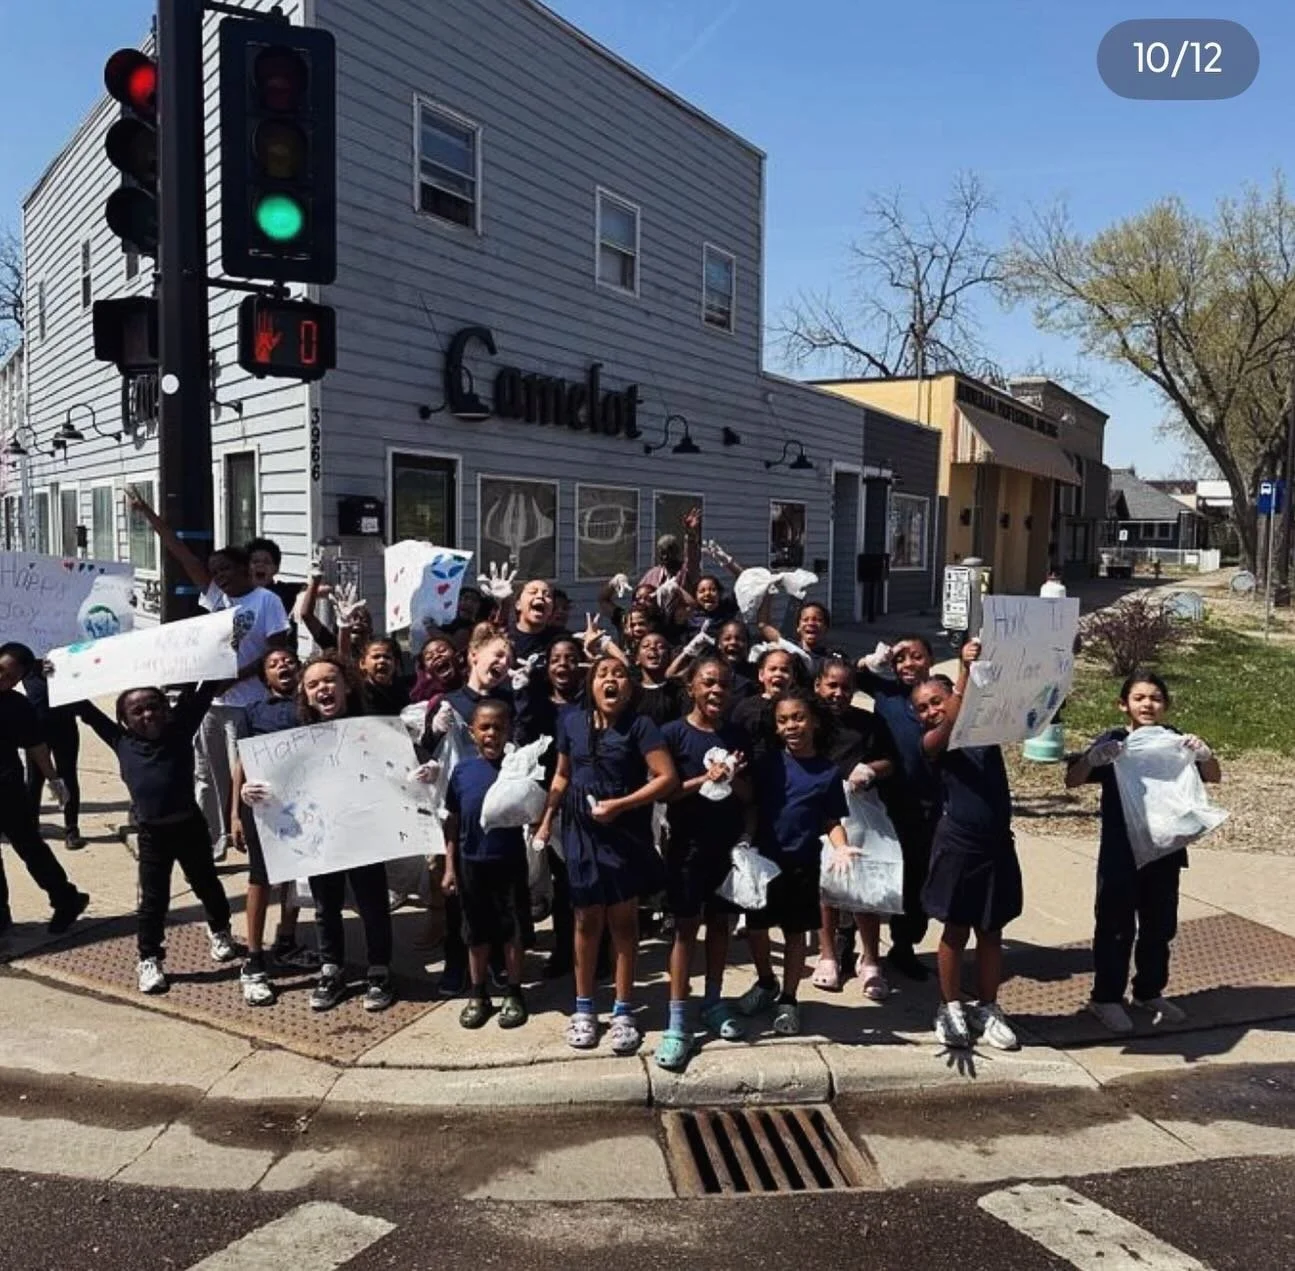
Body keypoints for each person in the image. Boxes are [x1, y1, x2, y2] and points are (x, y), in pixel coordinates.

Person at [129, 488, 293, 862]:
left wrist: (236, 677)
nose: (220, 576)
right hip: (211, 703)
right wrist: (147, 513)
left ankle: (254, 838)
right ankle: (211, 843)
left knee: (246, 777)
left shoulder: (266, 601)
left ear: (245, 568)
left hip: (248, 704)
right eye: (215, 571)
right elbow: (182, 554)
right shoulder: (217, 598)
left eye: (226, 570)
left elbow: (276, 650)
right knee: (206, 775)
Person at [534, 655, 678, 1054]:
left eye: (619, 674)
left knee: (623, 922)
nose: (611, 680)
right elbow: (562, 775)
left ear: (629, 687)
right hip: (580, 830)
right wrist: (547, 818)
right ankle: (583, 1008)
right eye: (602, 674)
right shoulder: (572, 723)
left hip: (624, 831)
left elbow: (667, 778)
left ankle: (624, 1008)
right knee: (584, 920)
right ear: (590, 684)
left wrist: (622, 805)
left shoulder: (641, 726)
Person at [1065, 670, 1221, 1033]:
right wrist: (1094, 758)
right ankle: (1105, 998)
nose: (1147, 704)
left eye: (1155, 698)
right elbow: (1072, 780)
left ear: (1165, 705)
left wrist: (1204, 754)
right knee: (1115, 925)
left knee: (1159, 926)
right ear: (1124, 705)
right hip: (1121, 851)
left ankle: (1149, 991)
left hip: (1164, 849)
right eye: (1139, 698)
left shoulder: (1174, 741)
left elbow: (1212, 776)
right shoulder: (1117, 742)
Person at [242, 653, 397, 1013]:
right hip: (320, 836)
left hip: (364, 831)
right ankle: (332, 969)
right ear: (305, 695)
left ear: (346, 686)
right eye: (313, 685)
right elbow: (275, 781)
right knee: (325, 906)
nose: (322, 688)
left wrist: (424, 773)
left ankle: (379, 970)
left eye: (329, 681)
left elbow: (397, 766)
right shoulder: (294, 736)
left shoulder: (368, 726)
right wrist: (251, 793)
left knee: (372, 903)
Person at [75, 679, 238, 994]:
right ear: (125, 720)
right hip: (153, 835)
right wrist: (54, 674)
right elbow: (84, 708)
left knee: (207, 884)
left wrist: (219, 647)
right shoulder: (119, 740)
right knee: (153, 901)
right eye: (137, 711)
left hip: (189, 827)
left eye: (154, 707)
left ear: (167, 711)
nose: (147, 714)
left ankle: (220, 930)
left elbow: (205, 691)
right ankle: (149, 957)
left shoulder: (179, 731)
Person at [914, 646, 1023, 1052]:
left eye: (936, 702)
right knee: (956, 929)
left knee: (991, 930)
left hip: (996, 844)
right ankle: (950, 1005)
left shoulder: (986, 728)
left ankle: (988, 1006)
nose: (931, 711)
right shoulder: (933, 743)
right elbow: (952, 720)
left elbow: (1019, 699)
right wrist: (962, 670)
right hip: (958, 846)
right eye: (923, 708)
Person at [737, 688, 850, 1036]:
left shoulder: (828, 772)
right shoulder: (767, 763)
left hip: (801, 866)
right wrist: (730, 776)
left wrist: (842, 847)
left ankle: (788, 998)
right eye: (783, 720)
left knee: (795, 934)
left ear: (814, 722)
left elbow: (831, 821)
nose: (791, 726)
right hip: (763, 862)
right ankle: (766, 983)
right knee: (756, 928)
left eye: (798, 718)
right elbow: (749, 799)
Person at [656, 656, 750, 1070]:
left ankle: (713, 1001)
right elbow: (665, 793)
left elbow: (749, 796)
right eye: (708, 683)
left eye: (724, 685)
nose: (717, 691)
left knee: (719, 927)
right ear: (691, 687)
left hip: (725, 847)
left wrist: (735, 775)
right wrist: (705, 778)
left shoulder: (736, 734)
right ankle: (677, 1020)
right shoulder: (673, 734)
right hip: (687, 847)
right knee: (684, 930)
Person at [229, 648, 318, 1005]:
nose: (283, 666)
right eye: (273, 664)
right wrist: (235, 812)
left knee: (295, 873)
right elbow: (241, 763)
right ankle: (253, 959)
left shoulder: (310, 708)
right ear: (265, 677)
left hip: (303, 808)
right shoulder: (254, 712)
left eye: (288, 662)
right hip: (262, 808)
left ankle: (287, 939)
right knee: (261, 878)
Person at [855, 635, 941, 982]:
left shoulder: (941, 694)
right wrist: (870, 661)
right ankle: (861, 948)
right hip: (888, 800)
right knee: (885, 874)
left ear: (930, 659)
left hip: (930, 800)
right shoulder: (885, 692)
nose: (907, 664)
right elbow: (853, 676)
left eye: (916, 657)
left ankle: (904, 946)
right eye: (900, 659)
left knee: (921, 876)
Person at [811, 658, 898, 999]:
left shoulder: (868, 724)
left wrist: (870, 770)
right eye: (831, 685)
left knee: (864, 887)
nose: (838, 693)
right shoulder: (810, 721)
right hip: (820, 814)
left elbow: (891, 762)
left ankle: (871, 959)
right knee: (826, 888)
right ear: (818, 686)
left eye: (846, 687)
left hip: (860, 814)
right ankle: (828, 955)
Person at [442, 699, 531, 1030]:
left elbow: (533, 811)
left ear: (508, 731)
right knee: (476, 933)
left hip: (509, 863)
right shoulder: (463, 772)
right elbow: (452, 822)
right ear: (472, 731)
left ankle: (513, 991)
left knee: (513, 932)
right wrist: (450, 867)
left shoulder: (517, 769)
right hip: (471, 865)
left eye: (498, 727)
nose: (491, 734)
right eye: (485, 727)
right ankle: (478, 993)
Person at [0, 645, 89, 938]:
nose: (3, 678)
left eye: (11, 677)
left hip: (8, 789)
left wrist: (54, 780)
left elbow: (36, 745)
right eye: (1, 670)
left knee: (30, 848)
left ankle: (66, 898)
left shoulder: (16, 705)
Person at [9, 644, 86, 850]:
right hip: (36, 732)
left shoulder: (64, 664)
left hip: (65, 728)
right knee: (35, 780)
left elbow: (80, 683)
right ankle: (31, 826)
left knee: (67, 776)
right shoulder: (28, 668)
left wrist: (57, 671)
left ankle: (71, 828)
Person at [732, 646, 800, 762]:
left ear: (793, 677)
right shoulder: (745, 707)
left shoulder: (798, 708)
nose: (778, 674)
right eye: (772, 669)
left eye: (784, 670)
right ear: (761, 675)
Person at [632, 630, 686, 727]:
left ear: (669, 657)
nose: (652, 647)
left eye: (660, 646)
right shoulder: (631, 691)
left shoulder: (678, 691)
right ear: (637, 659)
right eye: (645, 646)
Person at [357, 636, 411, 716]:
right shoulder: (356, 694)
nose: (382, 661)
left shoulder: (404, 694)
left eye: (387, 657)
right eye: (376, 657)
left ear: (396, 664)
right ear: (362, 663)